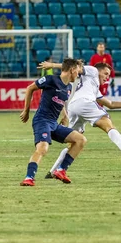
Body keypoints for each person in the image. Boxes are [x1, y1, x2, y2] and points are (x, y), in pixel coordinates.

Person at [39, 61, 121, 179]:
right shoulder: (93, 70)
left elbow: (111, 104)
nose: (107, 77)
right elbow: (74, 67)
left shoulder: (93, 88)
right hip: (84, 103)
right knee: (106, 122)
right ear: (99, 70)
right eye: (106, 73)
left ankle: (53, 171)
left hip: (74, 107)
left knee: (73, 143)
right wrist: (53, 65)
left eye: (109, 75)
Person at [19, 58, 86, 186]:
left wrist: (65, 116)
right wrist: (26, 111)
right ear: (72, 70)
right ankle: (29, 178)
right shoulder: (50, 80)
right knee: (43, 148)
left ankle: (61, 171)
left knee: (80, 140)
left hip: (54, 124)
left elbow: (60, 102)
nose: (78, 74)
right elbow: (30, 88)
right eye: (77, 71)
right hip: (42, 120)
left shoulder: (69, 87)